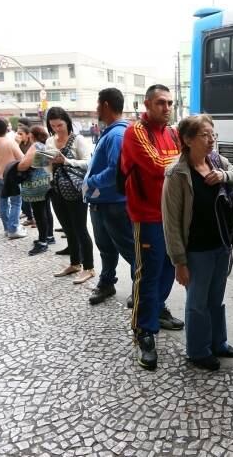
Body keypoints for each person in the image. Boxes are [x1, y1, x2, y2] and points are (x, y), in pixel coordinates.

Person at [162, 114, 233, 371]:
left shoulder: (217, 161)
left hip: (221, 246)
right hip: (196, 251)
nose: (211, 140)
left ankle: (218, 343)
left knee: (216, 299)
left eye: (213, 134)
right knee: (197, 303)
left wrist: (223, 175)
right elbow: (171, 224)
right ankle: (198, 351)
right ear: (187, 140)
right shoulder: (177, 173)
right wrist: (179, 262)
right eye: (204, 135)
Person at [121, 84, 184, 371]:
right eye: (160, 102)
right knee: (148, 273)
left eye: (170, 103)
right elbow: (159, 164)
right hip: (146, 215)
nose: (167, 107)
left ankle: (156, 310)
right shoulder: (136, 132)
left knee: (170, 267)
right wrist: (185, 159)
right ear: (147, 104)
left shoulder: (172, 132)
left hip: (171, 215)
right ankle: (143, 331)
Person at [83, 88, 137, 305]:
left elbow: (117, 171)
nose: (96, 109)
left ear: (105, 105)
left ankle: (141, 290)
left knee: (131, 251)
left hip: (113, 204)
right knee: (106, 248)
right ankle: (107, 282)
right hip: (100, 203)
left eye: (97, 104)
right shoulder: (112, 131)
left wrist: (91, 182)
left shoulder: (116, 134)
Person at [46, 106, 95, 283]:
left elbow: (89, 163)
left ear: (67, 122)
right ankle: (75, 263)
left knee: (80, 228)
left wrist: (66, 160)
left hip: (75, 188)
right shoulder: (50, 141)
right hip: (56, 189)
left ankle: (89, 267)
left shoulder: (78, 139)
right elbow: (47, 167)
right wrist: (45, 162)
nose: (57, 129)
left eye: (60, 125)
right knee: (68, 229)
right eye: (53, 126)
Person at [16, 125, 56, 255]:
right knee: (46, 210)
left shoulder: (35, 146)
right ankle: (49, 237)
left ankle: (42, 242)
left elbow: (23, 166)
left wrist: (18, 165)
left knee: (39, 214)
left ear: (31, 136)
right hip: (47, 182)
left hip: (36, 184)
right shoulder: (46, 145)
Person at [0, 118, 26, 238]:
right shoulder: (10, 142)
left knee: (2, 202)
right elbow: (21, 158)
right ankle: (13, 229)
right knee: (16, 202)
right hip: (10, 176)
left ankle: (7, 228)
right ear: (6, 128)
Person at [16, 124, 35, 228]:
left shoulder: (32, 145)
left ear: (28, 135)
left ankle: (35, 219)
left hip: (32, 174)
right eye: (17, 133)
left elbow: (25, 159)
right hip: (22, 175)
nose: (18, 135)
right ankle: (30, 218)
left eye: (21, 134)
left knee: (33, 198)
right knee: (25, 198)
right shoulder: (18, 144)